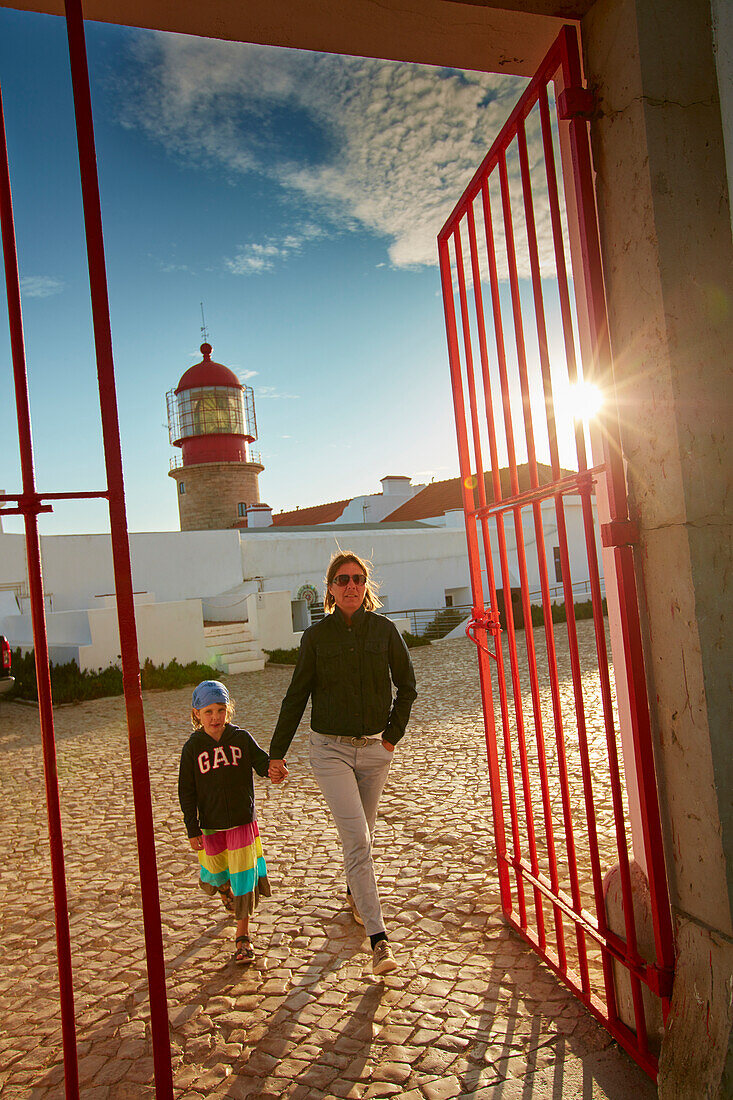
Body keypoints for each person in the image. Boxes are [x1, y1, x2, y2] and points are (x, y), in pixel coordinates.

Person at [269, 551, 417, 976]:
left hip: (375, 752)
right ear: (330, 589)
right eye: (342, 579)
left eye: (357, 579)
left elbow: (407, 687)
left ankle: (355, 895)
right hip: (329, 751)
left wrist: (391, 737)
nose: (351, 586)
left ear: (365, 586)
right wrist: (277, 753)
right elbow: (296, 697)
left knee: (363, 835)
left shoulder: (386, 631)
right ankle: (379, 940)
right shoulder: (315, 639)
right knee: (358, 841)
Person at [178, 679, 280, 964]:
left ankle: (243, 937)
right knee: (215, 870)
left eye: (220, 710)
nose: (215, 717)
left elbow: (261, 763)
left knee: (244, 879)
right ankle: (223, 889)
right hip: (210, 824)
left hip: (241, 823)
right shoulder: (192, 748)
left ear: (228, 710)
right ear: (196, 713)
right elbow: (186, 790)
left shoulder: (241, 738)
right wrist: (192, 827)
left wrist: (274, 769)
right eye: (208, 711)